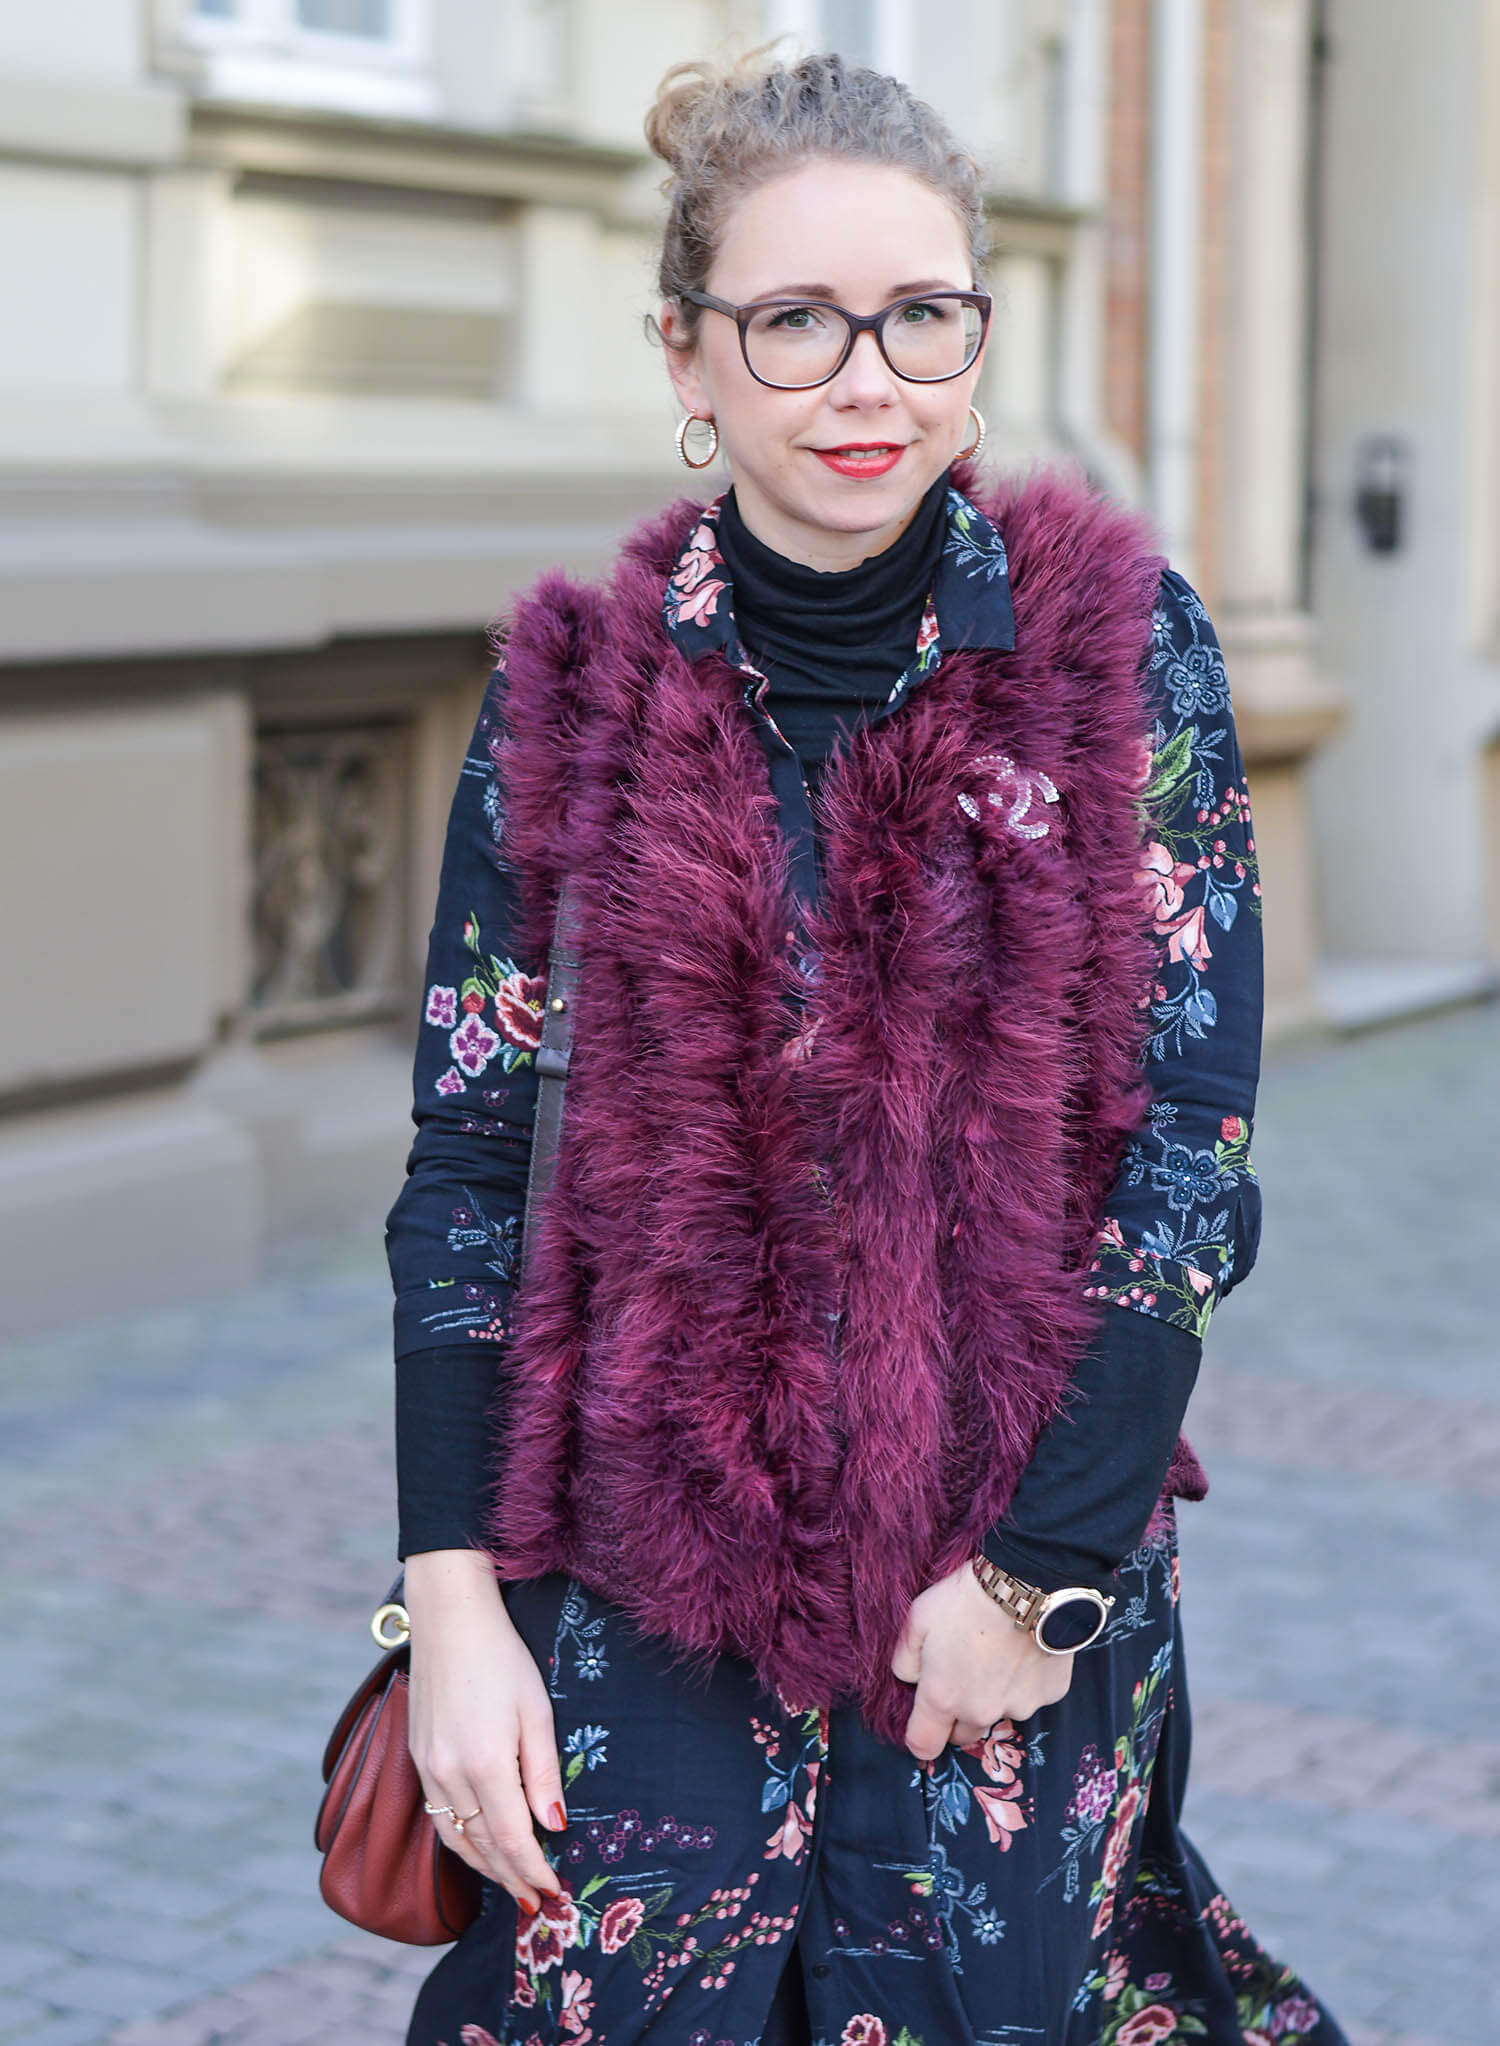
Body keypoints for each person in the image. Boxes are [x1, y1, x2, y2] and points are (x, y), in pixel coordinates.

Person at [384, 49, 1348, 2046]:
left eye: (922, 314)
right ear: (690, 353)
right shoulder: (573, 694)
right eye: (795, 320)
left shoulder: (1119, 649)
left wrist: (1037, 1578)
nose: (866, 376)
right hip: (641, 1578)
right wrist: (451, 1606)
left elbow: (1187, 1147)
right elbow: (472, 1168)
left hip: (1004, 1580)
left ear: (980, 338)